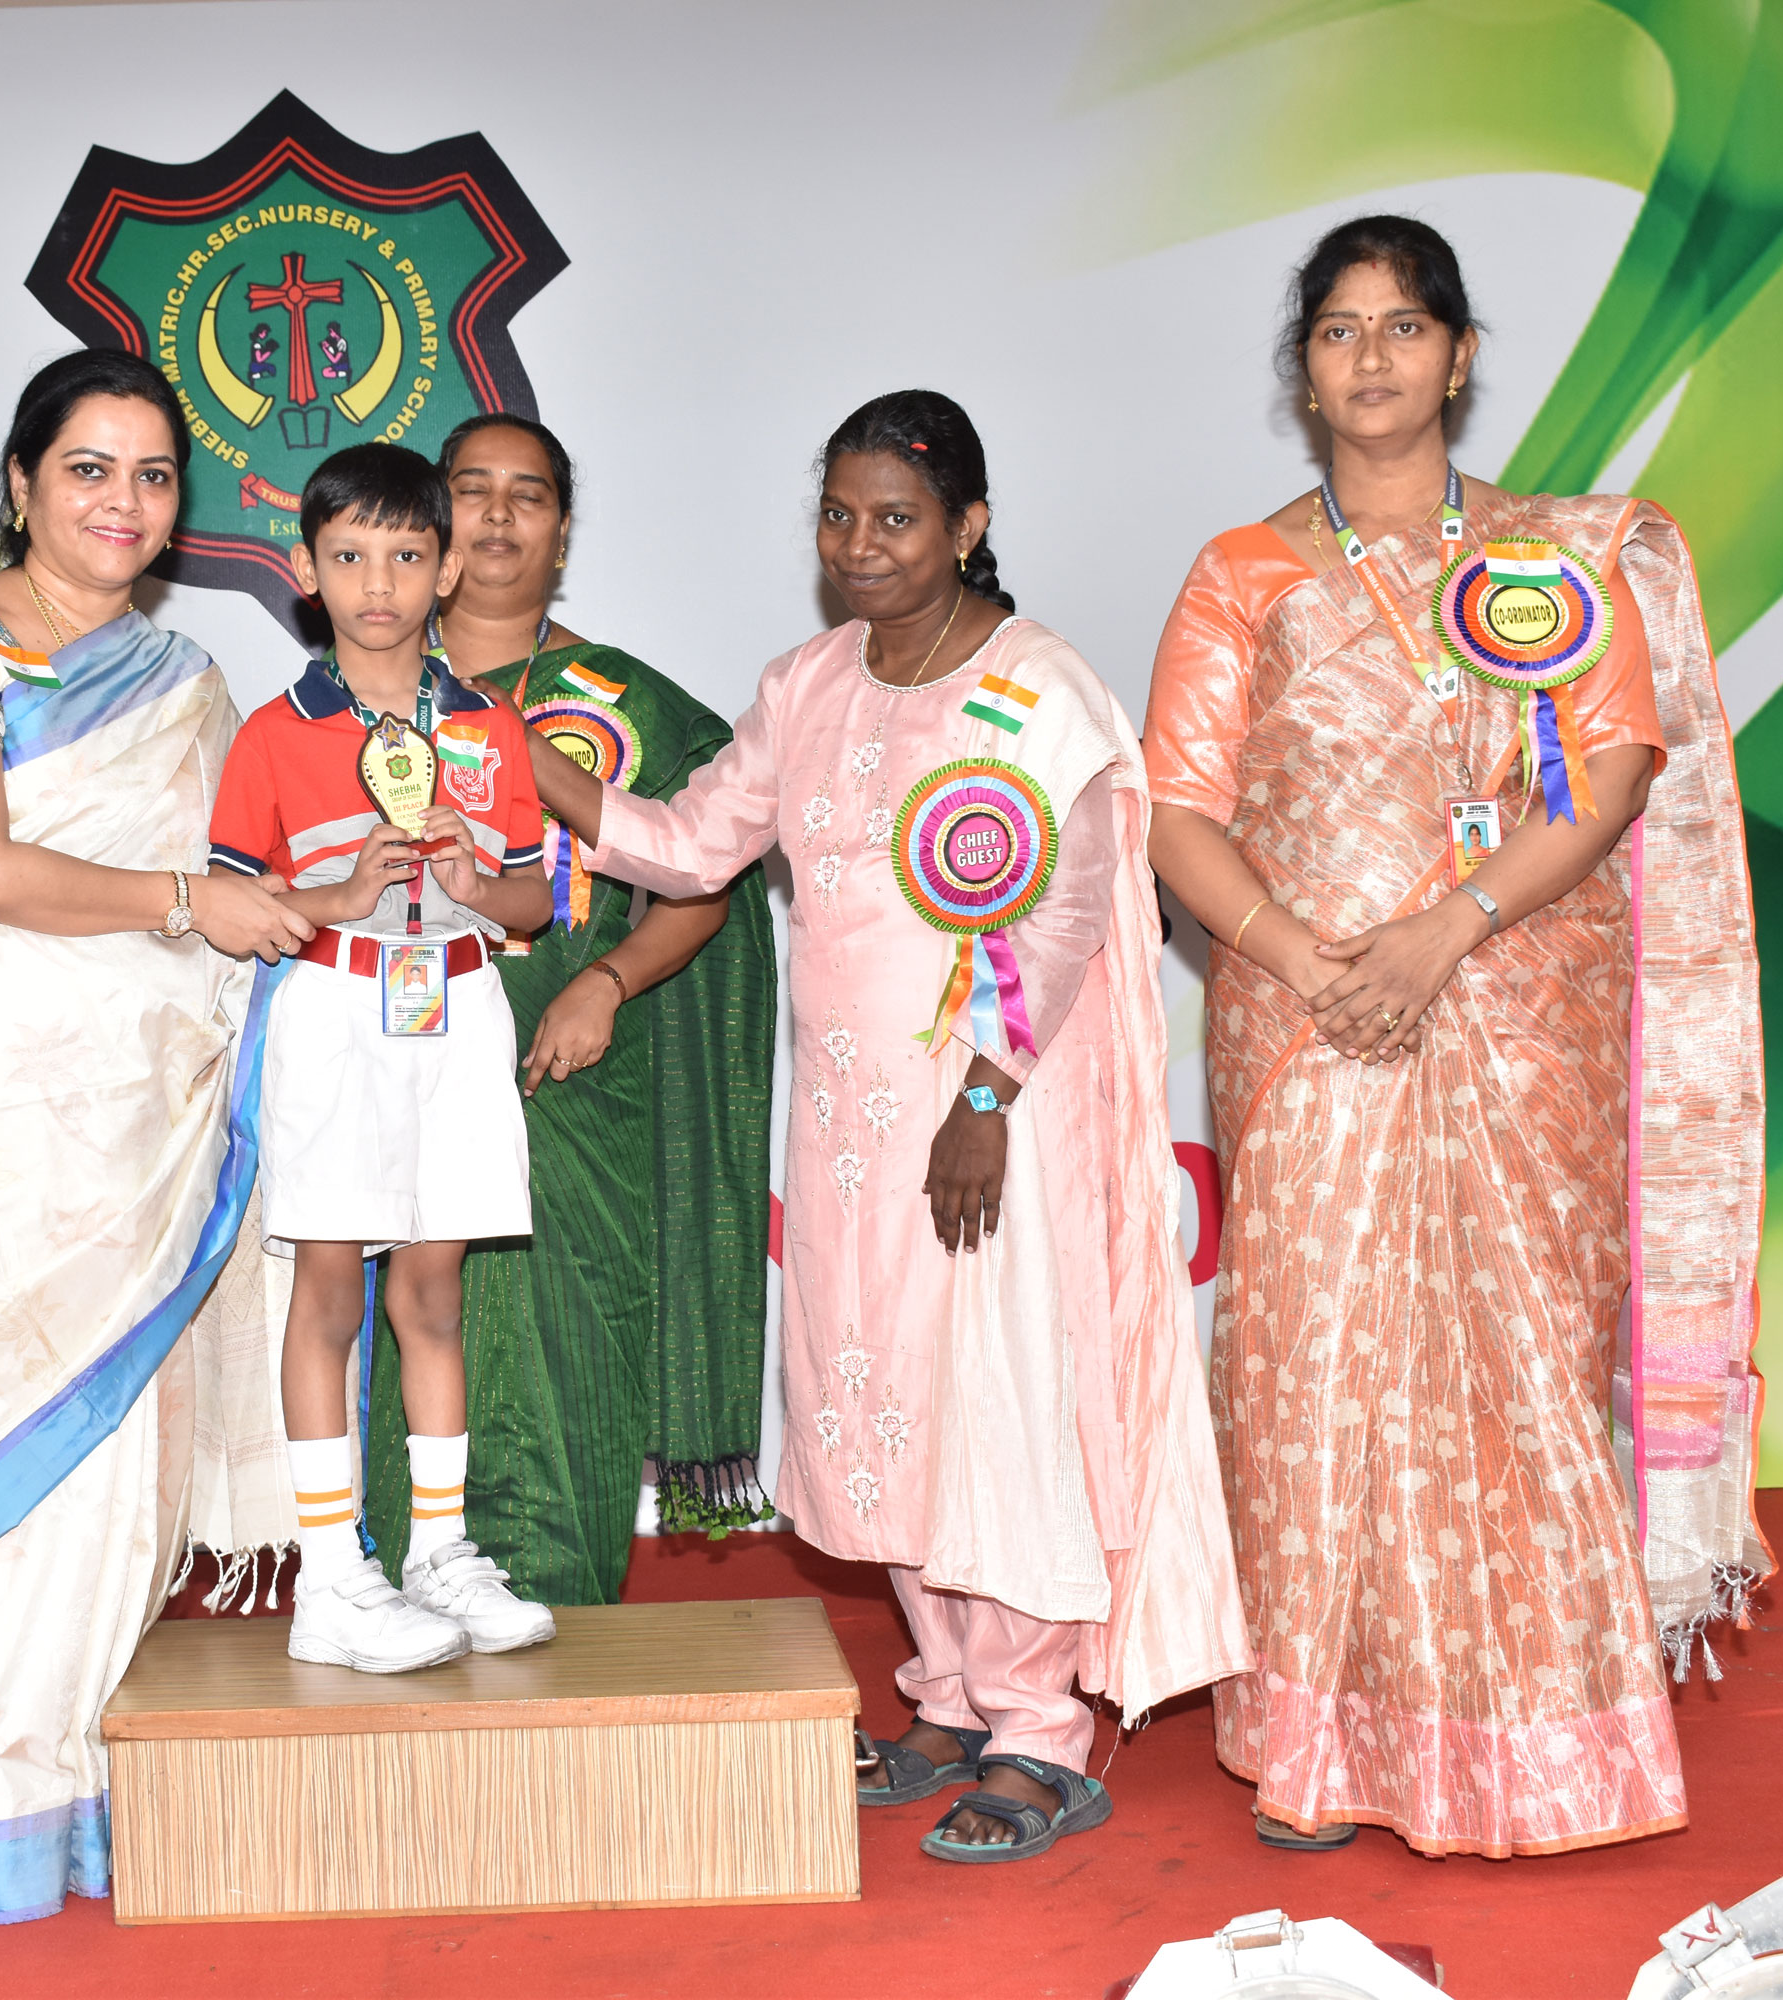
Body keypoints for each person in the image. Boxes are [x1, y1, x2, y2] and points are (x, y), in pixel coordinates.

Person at [511, 391, 1248, 1864]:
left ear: (969, 527)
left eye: (896, 519)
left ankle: (1040, 1732)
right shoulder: (808, 684)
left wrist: (983, 1095)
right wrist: (531, 765)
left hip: (992, 1119)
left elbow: (1064, 917)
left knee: (992, 1401)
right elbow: (693, 843)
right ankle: (952, 1695)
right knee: (881, 1396)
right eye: (838, 517)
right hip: (849, 1126)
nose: (859, 545)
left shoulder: (1037, 689)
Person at [1142, 216, 1766, 1858]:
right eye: (1339, 330)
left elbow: (1602, 777)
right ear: (1304, 369)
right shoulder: (1244, 574)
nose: (1372, 357)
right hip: (1308, 1027)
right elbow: (1179, 811)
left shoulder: (1551, 567)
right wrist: (1305, 957)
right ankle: (1321, 1751)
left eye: (1404, 326)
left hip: (1511, 1009)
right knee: (1311, 1371)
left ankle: (1544, 1742)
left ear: (1461, 354)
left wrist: (1448, 930)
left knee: (1523, 1366)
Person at [0, 350, 307, 1920]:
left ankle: (59, 1790)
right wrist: (188, 904)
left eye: (153, 476)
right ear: (24, 483)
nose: (123, 502)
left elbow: (245, 881)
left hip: (126, 1131)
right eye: (90, 468)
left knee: (110, 1458)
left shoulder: (186, 681)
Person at [377, 412, 775, 1607]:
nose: (500, 514)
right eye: (473, 488)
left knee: (570, 1351)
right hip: (404, 1067)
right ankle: (406, 1601)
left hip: (577, 1088)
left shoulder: (626, 701)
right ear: (434, 518)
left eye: (530, 494)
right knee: (416, 1329)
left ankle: (559, 1623)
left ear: (562, 532)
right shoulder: (368, 683)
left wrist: (607, 980)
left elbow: (704, 880)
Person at [207, 442, 558, 1675]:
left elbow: (535, 900)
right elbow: (234, 906)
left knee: (434, 1292)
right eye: (350, 555)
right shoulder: (274, 733)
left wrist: (476, 879)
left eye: (408, 554)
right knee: (330, 1292)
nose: (379, 582)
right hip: (333, 1008)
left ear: (447, 568)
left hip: (457, 1008)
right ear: (305, 570)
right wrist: (335, 893)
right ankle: (330, 1574)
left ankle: (439, 1552)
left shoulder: (489, 727)